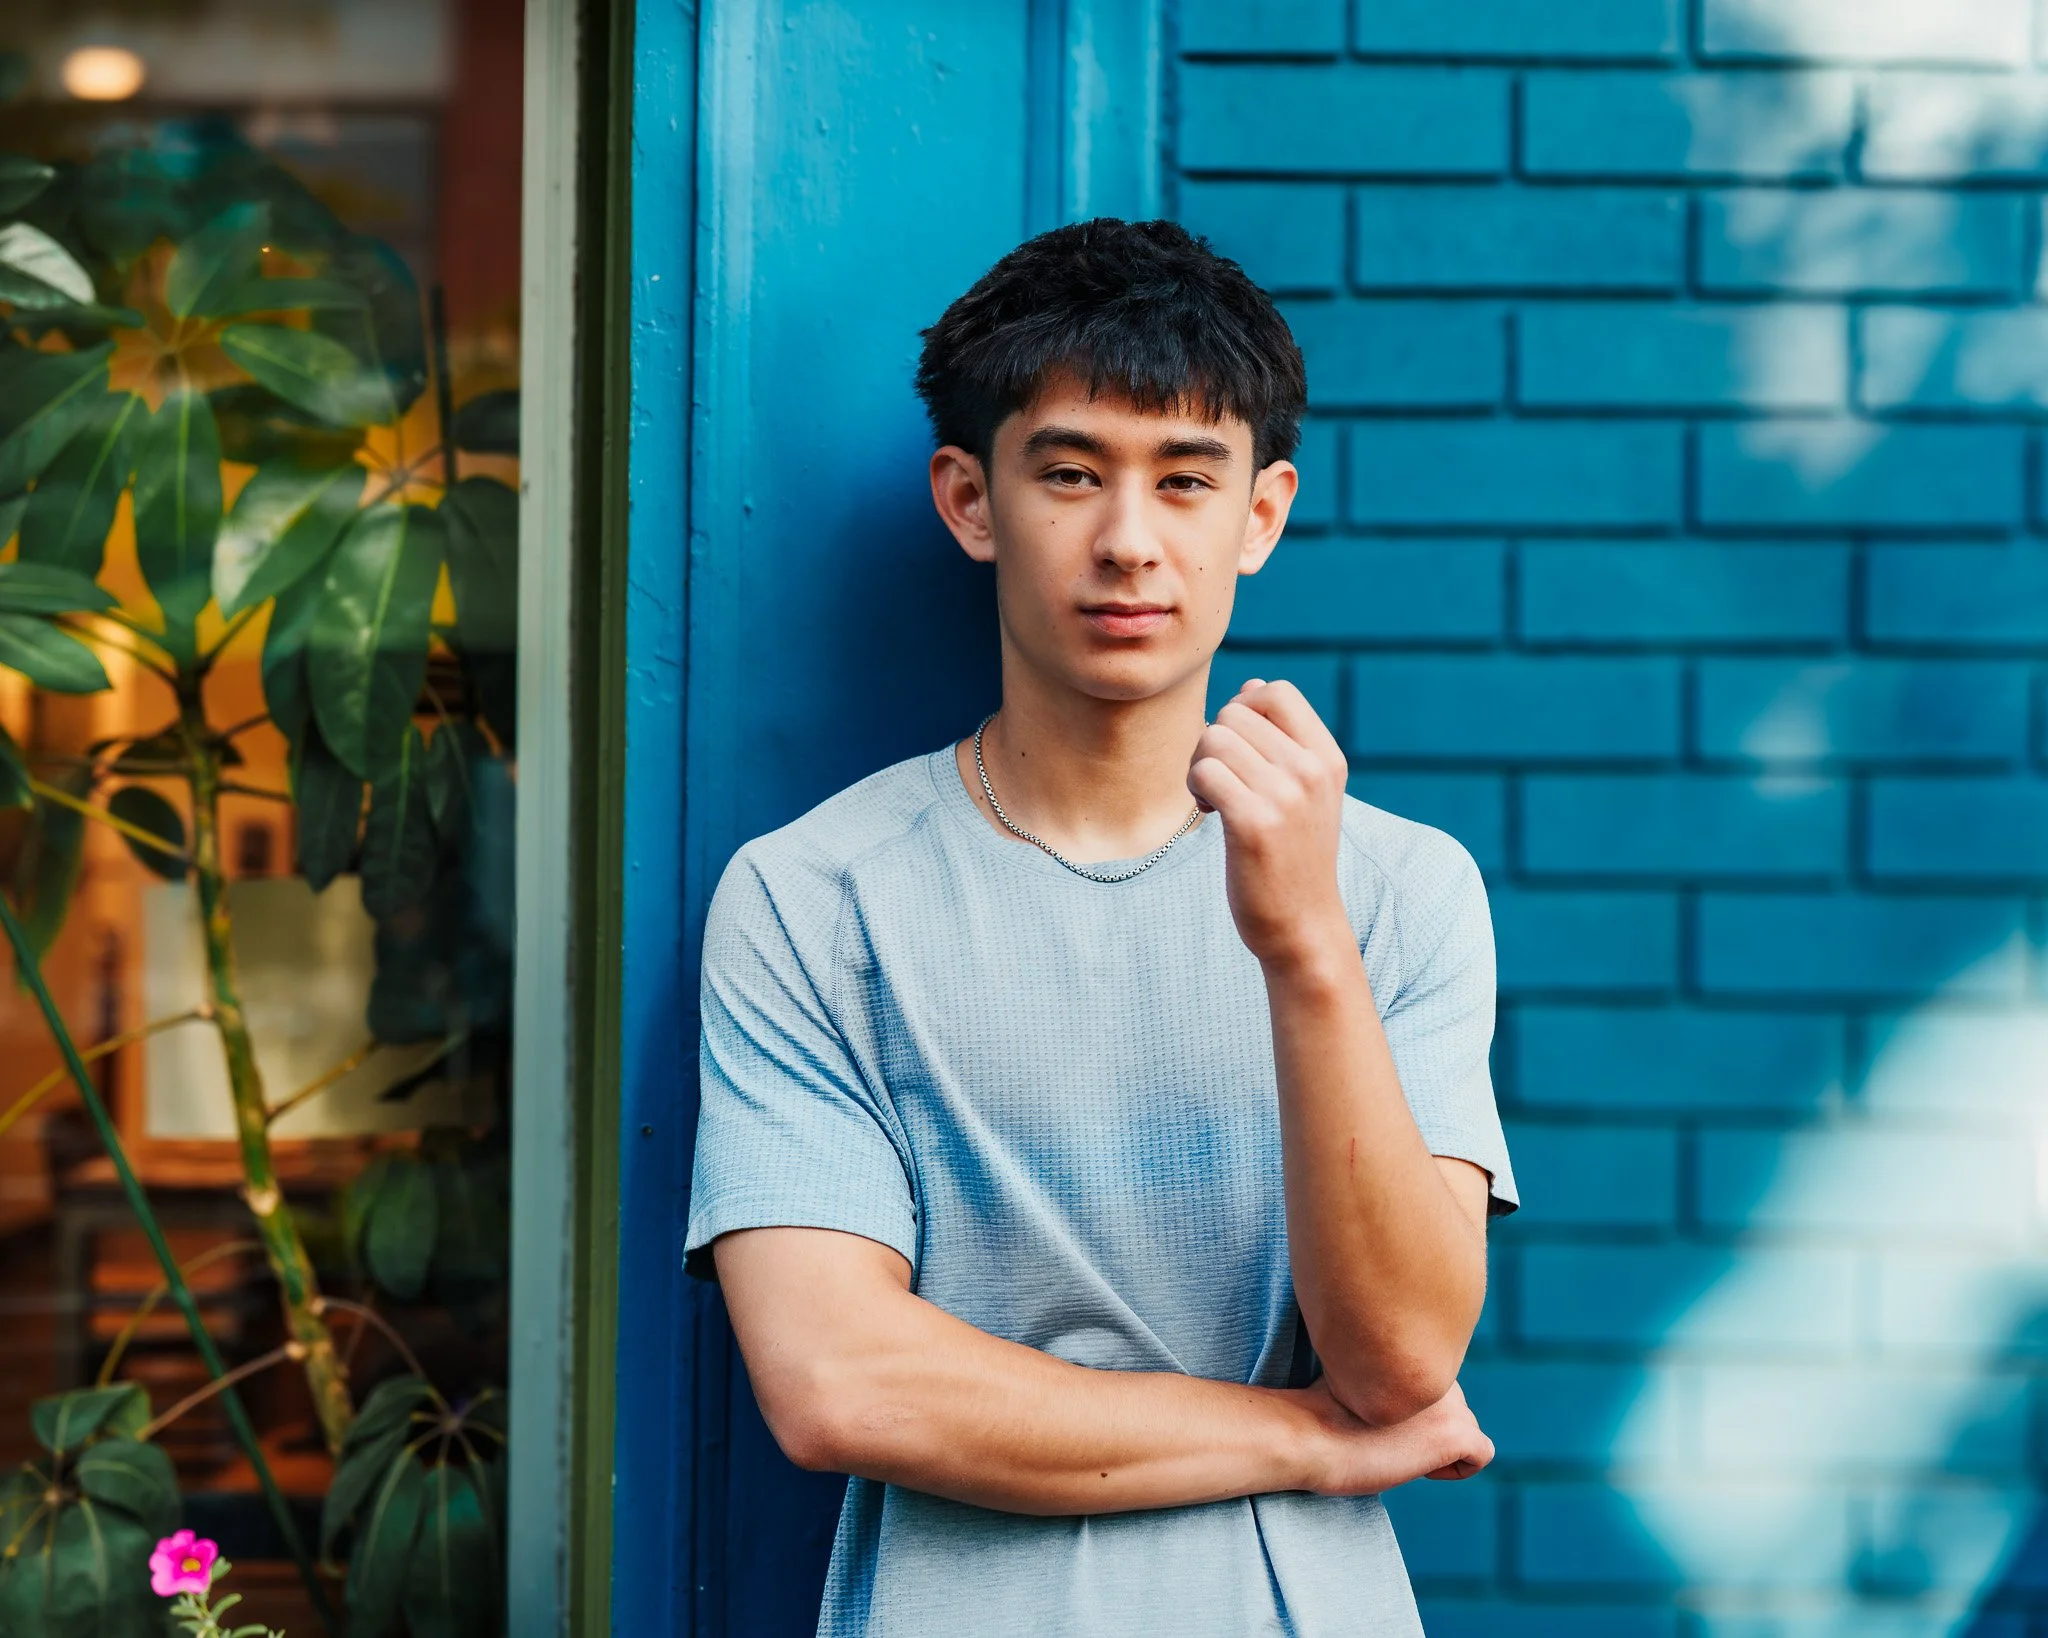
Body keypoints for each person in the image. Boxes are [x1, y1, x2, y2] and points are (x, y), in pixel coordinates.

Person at [685, 217, 1516, 1637]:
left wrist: (1302, 938)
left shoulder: (1394, 887)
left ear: (1259, 515)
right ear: (971, 499)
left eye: (1185, 480)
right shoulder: (811, 895)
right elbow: (837, 1383)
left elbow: (1400, 1358)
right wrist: (1302, 1442)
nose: (1128, 540)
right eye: (1071, 473)